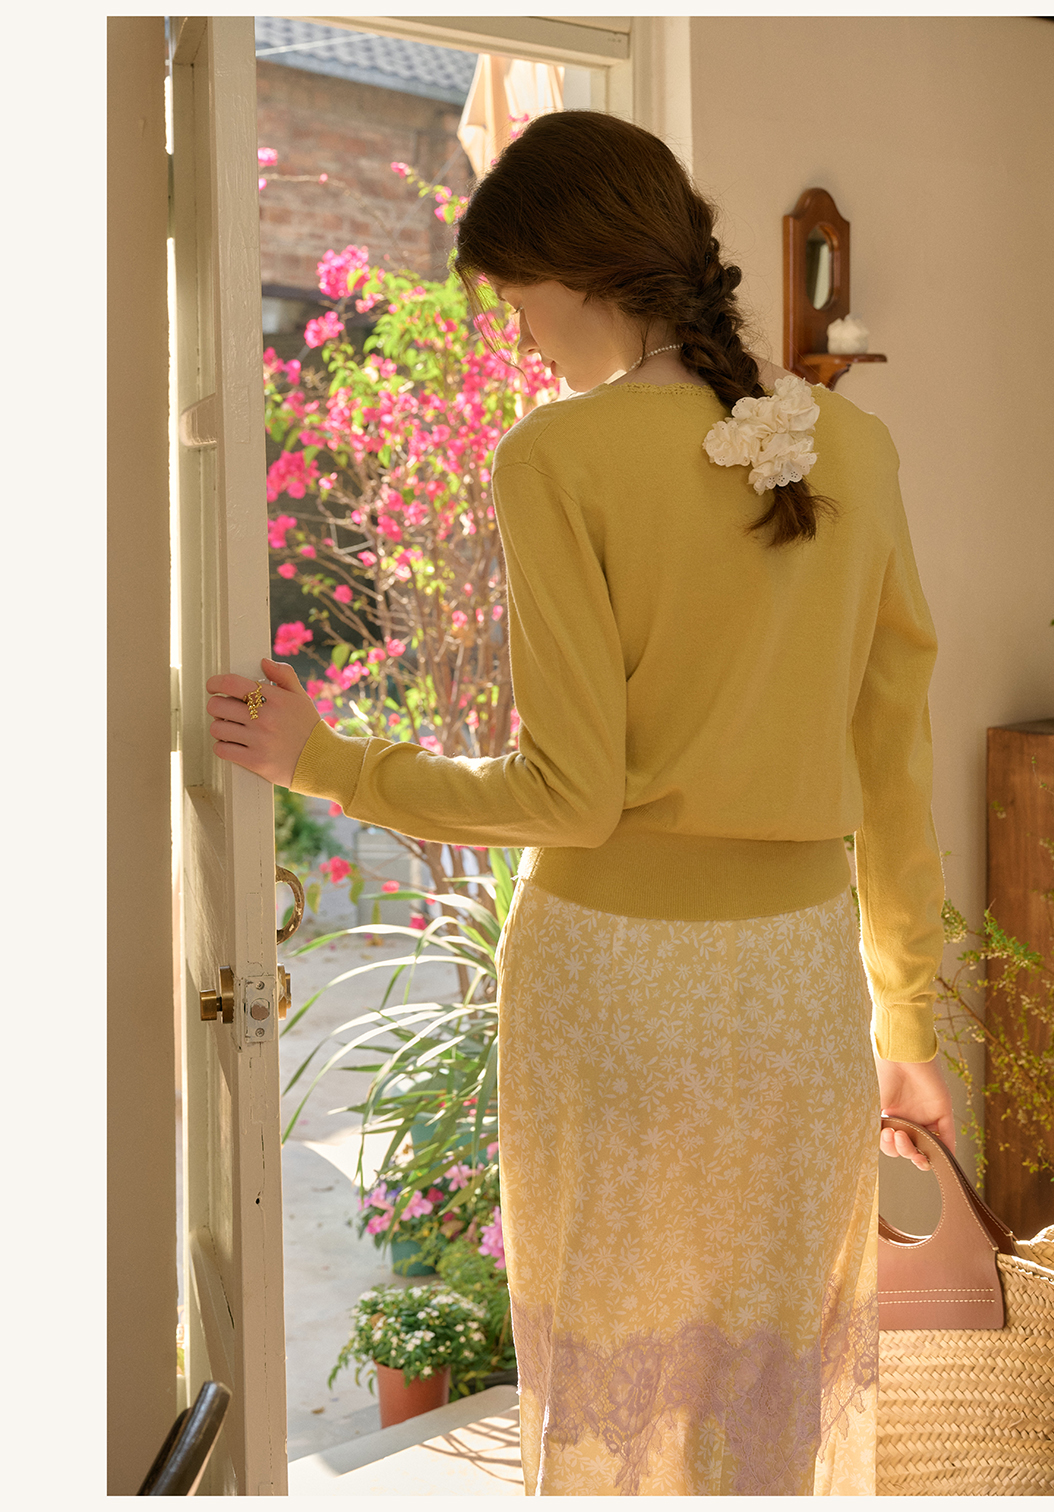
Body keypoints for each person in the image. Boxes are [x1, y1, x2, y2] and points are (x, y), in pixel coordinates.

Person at [207, 110, 953, 1497]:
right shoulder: (855, 448)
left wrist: (333, 763)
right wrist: (907, 1020)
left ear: (579, 272)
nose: (522, 333)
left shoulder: (557, 456)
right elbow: (896, 764)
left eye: (518, 300)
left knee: (621, 1392)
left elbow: (570, 791)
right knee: (769, 1397)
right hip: (800, 995)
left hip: (615, 994)